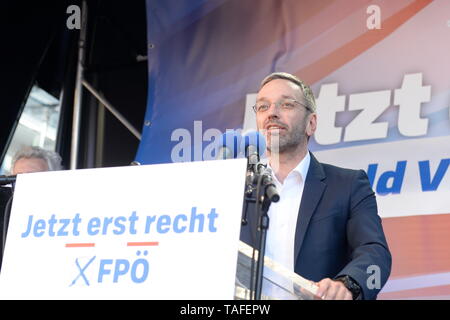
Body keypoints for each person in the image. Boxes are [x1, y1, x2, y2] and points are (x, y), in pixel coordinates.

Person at [240, 72, 391, 300]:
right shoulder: (236, 187)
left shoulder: (348, 185)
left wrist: (348, 285)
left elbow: (376, 254)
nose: (272, 113)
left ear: (311, 123)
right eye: (263, 107)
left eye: (287, 104)